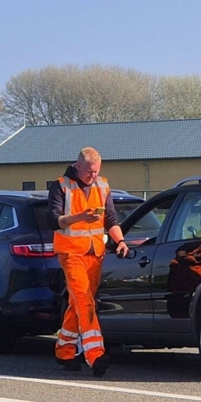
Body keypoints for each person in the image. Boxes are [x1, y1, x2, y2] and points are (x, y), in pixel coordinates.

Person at [48, 147, 129, 377]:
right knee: (84, 300)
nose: (93, 176)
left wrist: (120, 241)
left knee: (79, 303)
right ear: (78, 166)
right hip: (71, 254)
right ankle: (95, 355)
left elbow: (111, 219)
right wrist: (80, 217)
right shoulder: (61, 185)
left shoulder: (102, 185)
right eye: (89, 172)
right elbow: (53, 220)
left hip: (95, 254)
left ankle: (64, 350)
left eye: (96, 172)